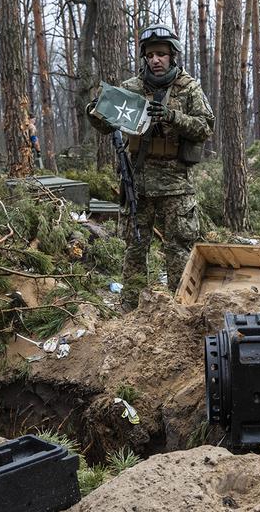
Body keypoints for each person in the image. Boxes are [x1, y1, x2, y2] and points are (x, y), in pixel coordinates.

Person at [87, 23, 215, 312]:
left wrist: (172, 117)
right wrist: (93, 111)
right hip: (139, 183)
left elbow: (206, 127)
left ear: (172, 55)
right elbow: (106, 123)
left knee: (179, 250)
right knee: (134, 249)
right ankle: (131, 309)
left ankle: (183, 309)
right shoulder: (132, 88)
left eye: (161, 54)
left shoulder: (188, 87)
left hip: (176, 186)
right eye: (150, 55)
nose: (155, 60)